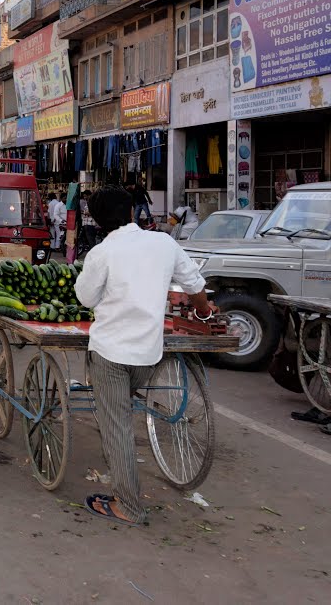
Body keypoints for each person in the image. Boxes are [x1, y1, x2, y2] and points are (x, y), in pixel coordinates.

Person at [74, 185, 212, 527]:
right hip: (148, 355)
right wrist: (205, 314)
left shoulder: (102, 252)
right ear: (133, 211)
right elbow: (195, 285)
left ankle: (129, 506)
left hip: (110, 353)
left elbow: (85, 298)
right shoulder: (163, 243)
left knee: (117, 425)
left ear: (99, 220)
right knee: (123, 413)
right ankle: (127, 494)